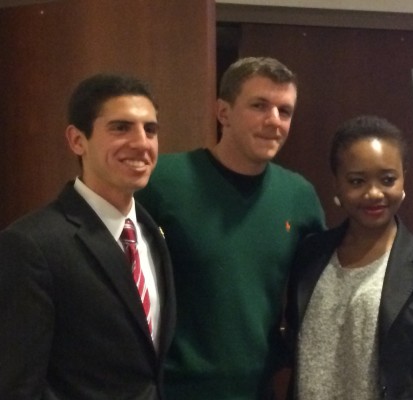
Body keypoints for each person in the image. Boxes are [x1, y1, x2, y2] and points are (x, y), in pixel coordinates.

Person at [135, 57, 325, 399]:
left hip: (259, 389)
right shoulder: (161, 182)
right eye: (259, 106)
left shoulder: (299, 196)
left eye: (285, 111)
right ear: (223, 113)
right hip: (171, 388)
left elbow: (327, 294)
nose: (274, 121)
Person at [0, 73, 176, 400]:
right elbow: (18, 385)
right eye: (121, 127)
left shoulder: (152, 233)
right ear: (77, 140)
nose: (141, 143)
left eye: (150, 129)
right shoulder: (32, 244)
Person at [285, 115, 413, 400]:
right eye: (357, 181)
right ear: (336, 184)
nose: (373, 193)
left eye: (387, 179)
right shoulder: (310, 253)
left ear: (404, 177)